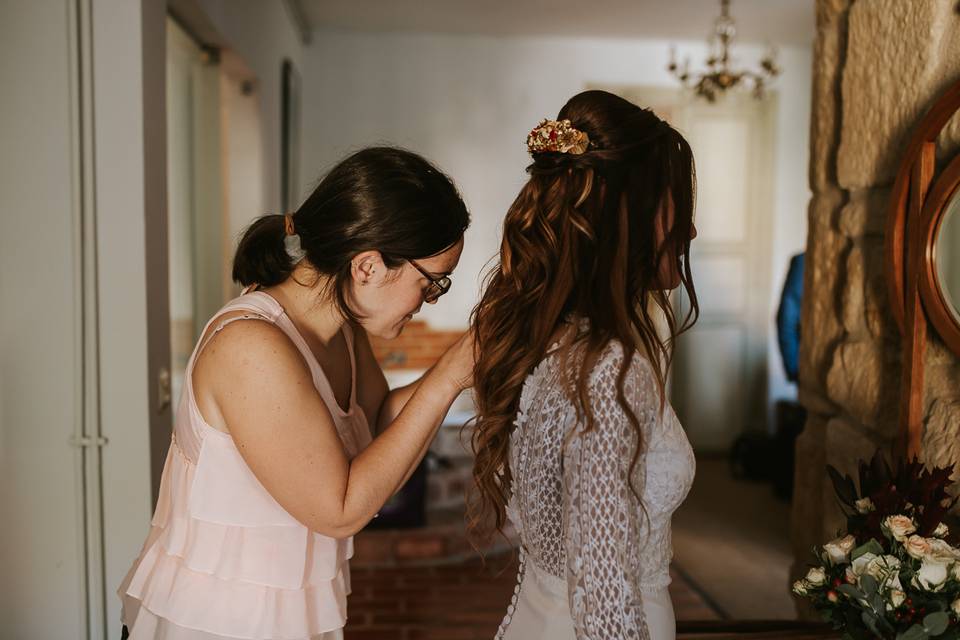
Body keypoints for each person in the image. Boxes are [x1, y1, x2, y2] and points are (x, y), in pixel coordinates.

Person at [118, 147, 474, 640]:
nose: (428, 300)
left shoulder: (343, 331)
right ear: (368, 266)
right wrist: (451, 374)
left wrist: (473, 364)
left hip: (285, 615)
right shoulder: (252, 347)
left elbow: (378, 427)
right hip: (220, 622)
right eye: (430, 283)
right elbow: (341, 509)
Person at [469, 91, 699, 640]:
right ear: (630, 210)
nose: (690, 230)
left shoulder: (552, 340)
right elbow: (603, 593)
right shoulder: (610, 369)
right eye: (677, 203)